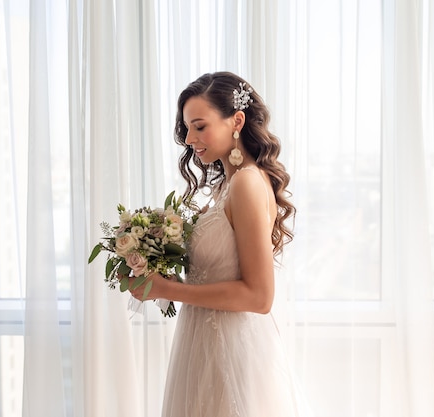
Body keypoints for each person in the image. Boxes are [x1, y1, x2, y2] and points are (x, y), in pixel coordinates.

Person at [128, 72, 311, 416]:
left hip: (233, 348)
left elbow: (259, 297)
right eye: (186, 129)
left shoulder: (246, 184)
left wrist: (168, 288)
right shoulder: (225, 186)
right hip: (203, 343)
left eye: (200, 126)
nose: (190, 139)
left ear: (237, 121)